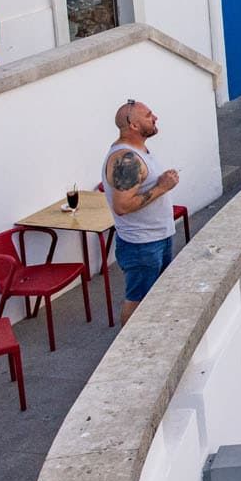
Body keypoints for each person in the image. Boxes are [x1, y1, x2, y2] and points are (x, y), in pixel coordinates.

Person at [102, 100, 181, 325]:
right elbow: (122, 206)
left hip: (156, 238)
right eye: (148, 116)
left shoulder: (139, 151)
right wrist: (162, 187)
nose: (155, 117)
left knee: (156, 298)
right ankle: (128, 354)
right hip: (142, 245)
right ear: (134, 126)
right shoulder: (126, 159)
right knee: (137, 303)